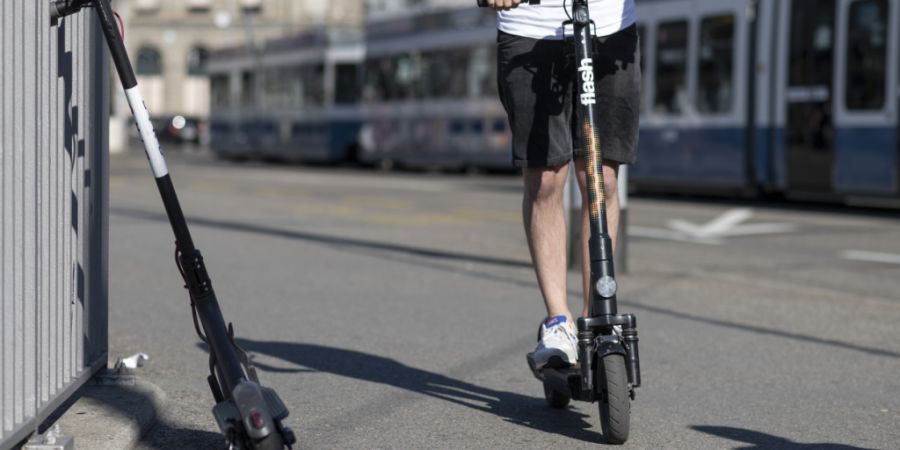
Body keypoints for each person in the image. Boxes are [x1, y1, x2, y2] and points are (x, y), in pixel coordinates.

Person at [486, 0, 640, 369]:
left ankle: (595, 319)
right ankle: (558, 321)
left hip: (610, 26)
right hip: (529, 27)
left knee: (599, 176)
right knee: (545, 181)